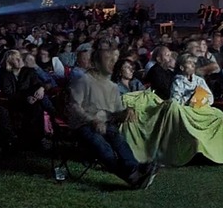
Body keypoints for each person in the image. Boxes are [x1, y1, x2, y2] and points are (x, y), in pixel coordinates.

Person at [67, 44, 157, 189]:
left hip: (103, 122)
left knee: (118, 140)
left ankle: (135, 172)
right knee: (103, 147)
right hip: (82, 124)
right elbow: (74, 107)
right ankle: (135, 175)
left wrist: (124, 112)